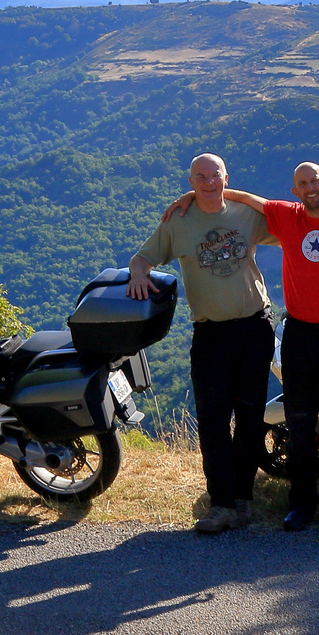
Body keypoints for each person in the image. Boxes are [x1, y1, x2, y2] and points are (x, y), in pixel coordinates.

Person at [169, 162, 319, 535]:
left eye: (314, 180)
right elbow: (240, 196)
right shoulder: (287, 217)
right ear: (295, 190)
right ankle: (301, 505)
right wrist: (195, 193)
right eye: (302, 183)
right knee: (300, 426)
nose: (309, 187)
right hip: (299, 335)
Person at [127, 153, 278, 534]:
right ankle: (221, 504)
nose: (209, 182)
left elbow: (296, 222)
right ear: (190, 180)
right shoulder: (178, 221)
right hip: (211, 334)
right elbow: (142, 257)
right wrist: (138, 275)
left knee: (249, 417)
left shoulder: (248, 216)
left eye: (216, 176)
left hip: (256, 326)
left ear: (227, 178)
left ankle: (243, 499)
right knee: (212, 420)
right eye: (200, 177)